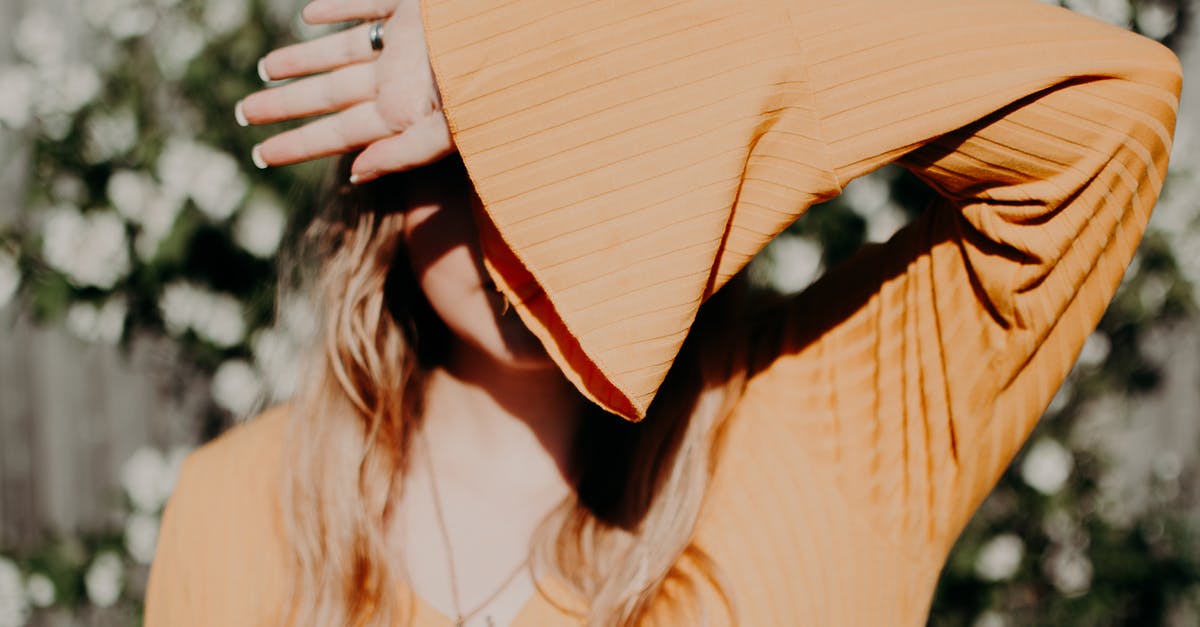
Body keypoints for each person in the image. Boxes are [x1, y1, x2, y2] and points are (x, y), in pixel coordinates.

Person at [144, 0, 1183, 624]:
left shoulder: (836, 418)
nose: (526, 211)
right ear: (373, 169)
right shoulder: (238, 505)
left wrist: (619, 44)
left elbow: (1111, 108)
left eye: (577, 139)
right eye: (470, 148)